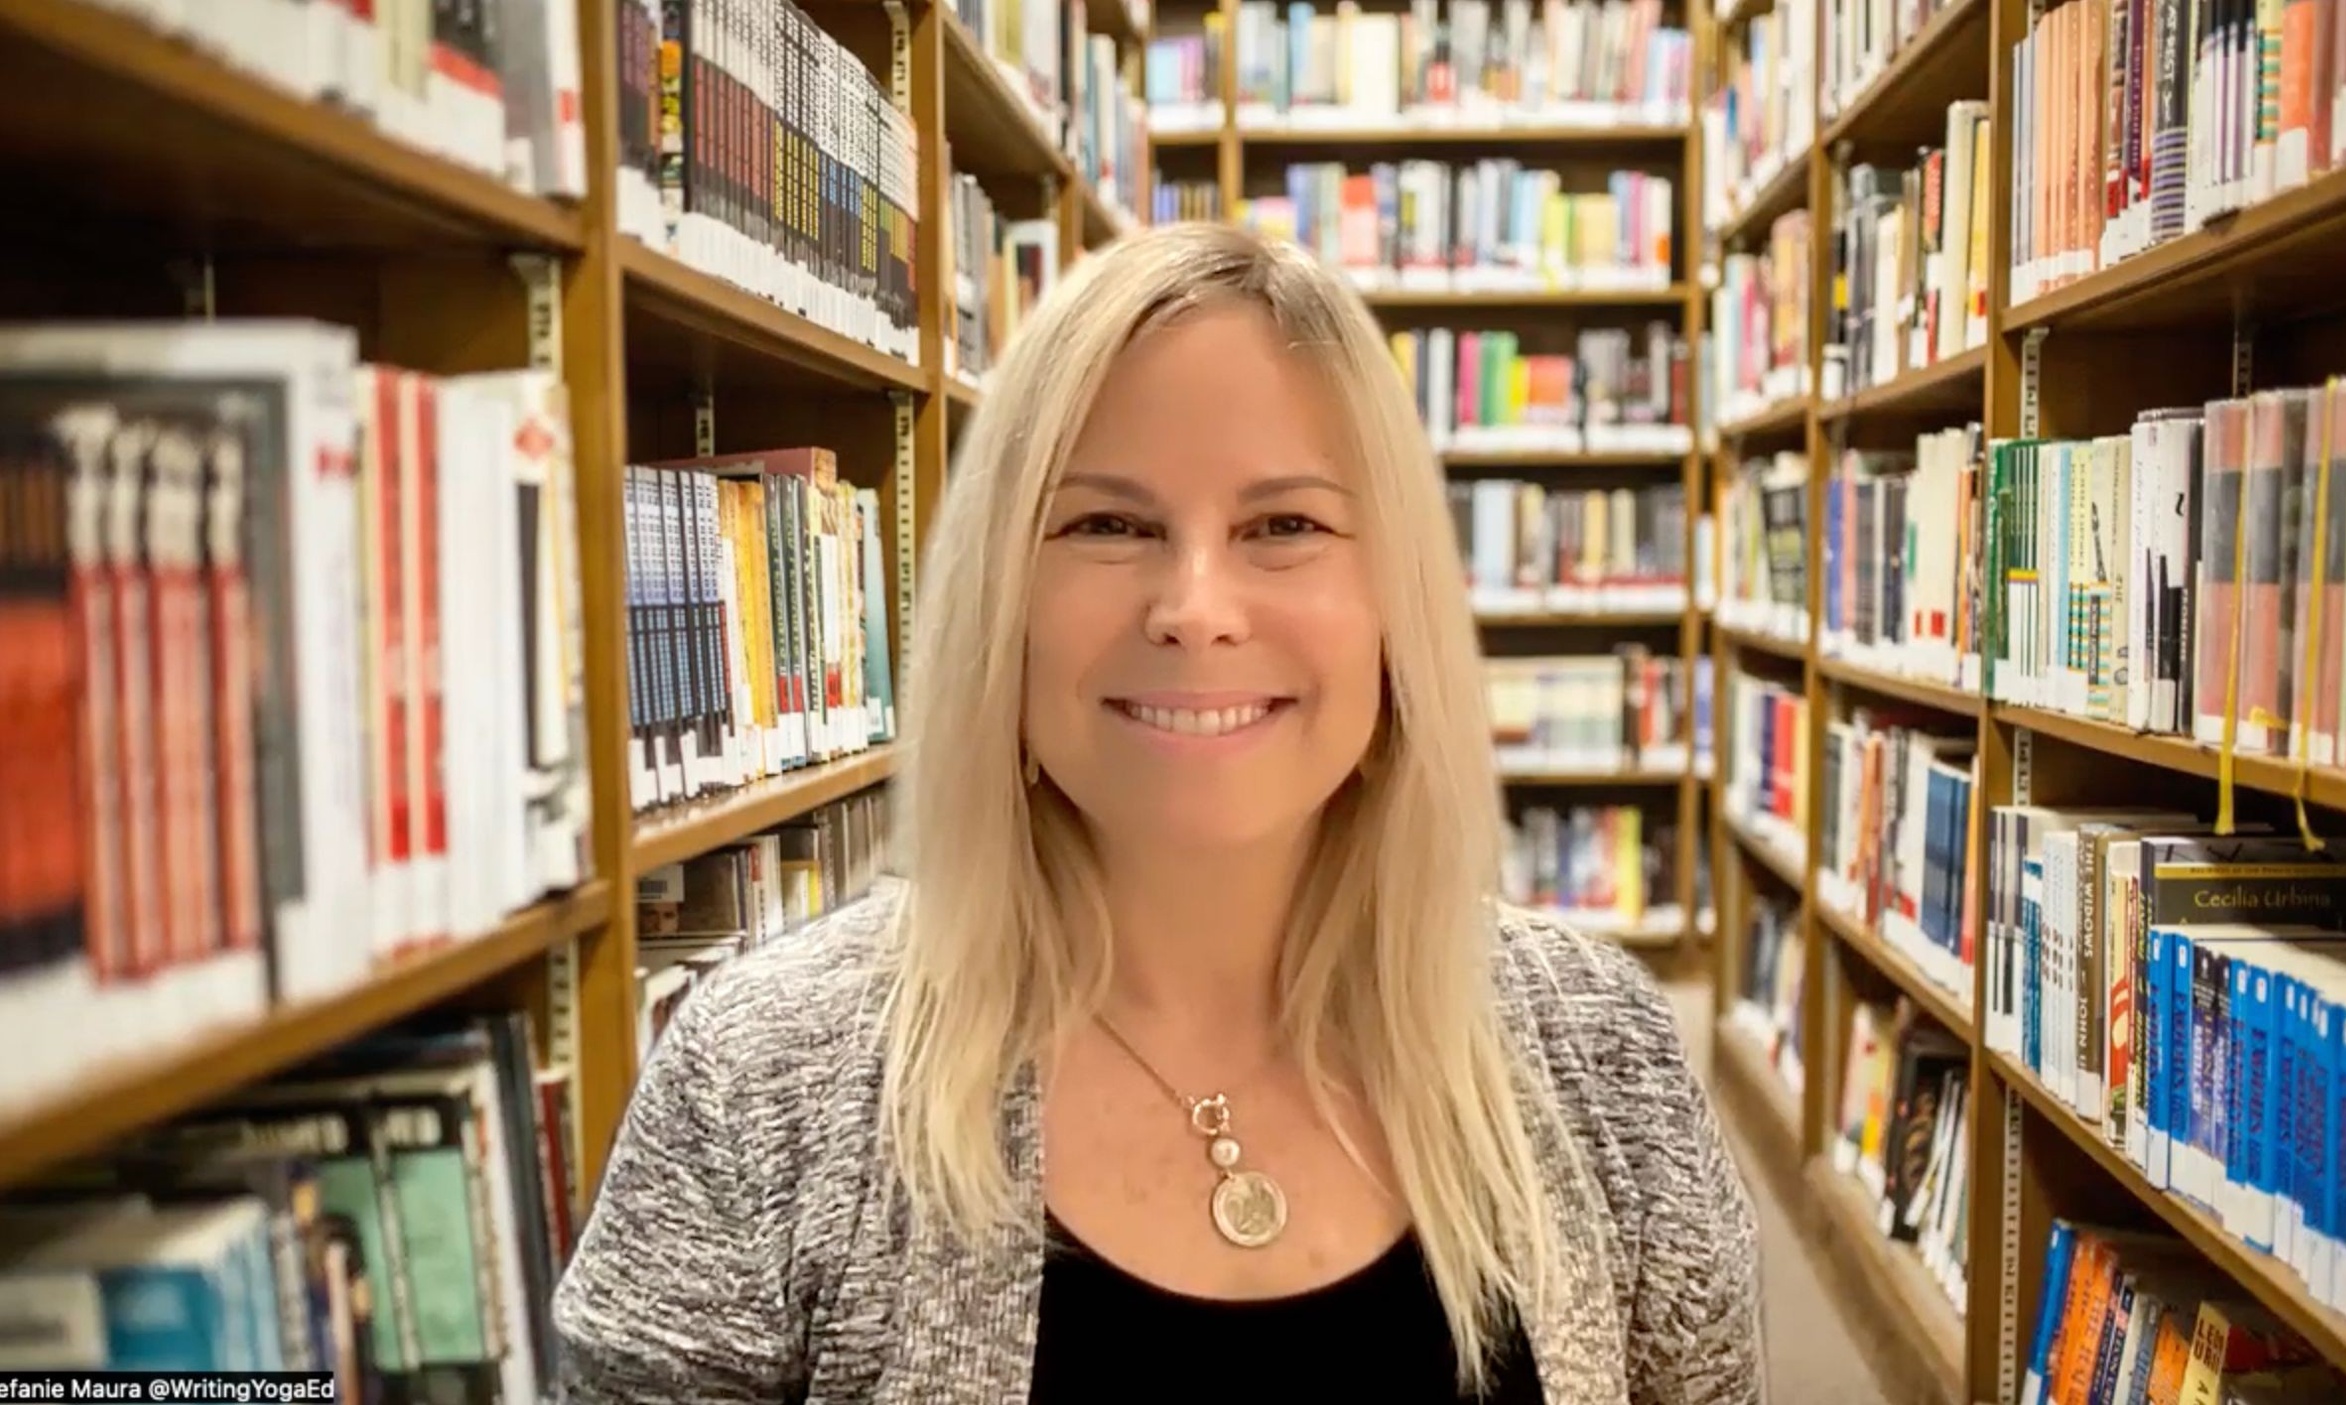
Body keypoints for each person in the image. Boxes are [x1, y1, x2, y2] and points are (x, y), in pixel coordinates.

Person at [552, 221, 1764, 1405]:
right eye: (1110, 525)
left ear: (1396, 604)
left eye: (1284, 525)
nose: (1195, 609)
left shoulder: (1609, 1058)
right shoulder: (760, 1085)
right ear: (1004, 605)